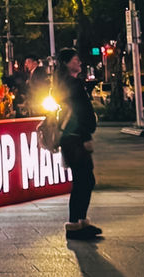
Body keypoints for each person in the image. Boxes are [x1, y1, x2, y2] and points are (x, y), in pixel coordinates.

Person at [54, 47, 102, 240]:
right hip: (75, 138)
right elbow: (79, 113)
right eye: (76, 60)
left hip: (72, 137)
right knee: (84, 180)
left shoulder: (65, 83)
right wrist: (85, 137)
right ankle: (75, 224)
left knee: (83, 180)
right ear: (67, 63)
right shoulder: (72, 84)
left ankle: (79, 222)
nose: (79, 62)